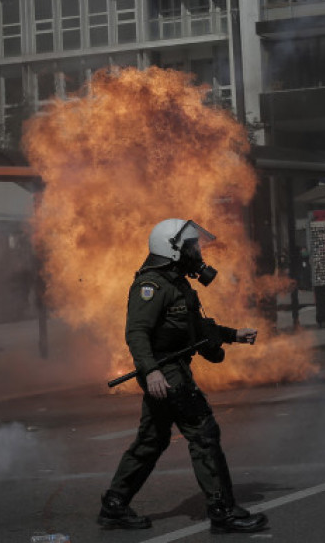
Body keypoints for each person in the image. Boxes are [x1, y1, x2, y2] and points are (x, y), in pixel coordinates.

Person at [97, 218, 269, 534]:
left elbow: (194, 329)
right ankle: (223, 511)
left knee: (153, 439)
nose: (197, 251)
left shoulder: (178, 284)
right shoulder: (152, 286)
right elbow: (136, 332)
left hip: (170, 369)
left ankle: (114, 505)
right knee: (204, 433)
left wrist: (233, 334)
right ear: (173, 249)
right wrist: (151, 372)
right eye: (191, 246)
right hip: (166, 371)